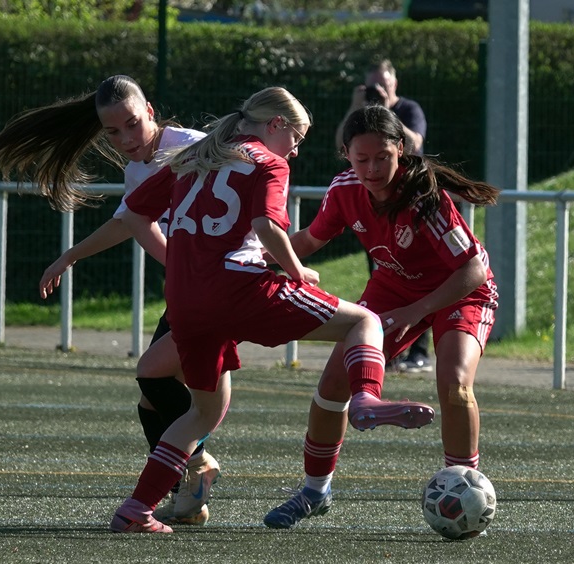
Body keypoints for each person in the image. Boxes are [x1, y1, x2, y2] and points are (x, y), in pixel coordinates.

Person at [114, 87, 436, 534]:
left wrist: (181, 262)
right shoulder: (268, 161)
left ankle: (137, 508)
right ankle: (365, 397)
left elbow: (132, 215)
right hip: (239, 288)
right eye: (296, 138)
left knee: (200, 412)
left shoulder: (196, 156)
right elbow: (266, 225)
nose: (296, 150)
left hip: (186, 299)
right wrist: (296, 270)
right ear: (276, 125)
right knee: (364, 321)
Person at [0, 75, 221, 526]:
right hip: (191, 291)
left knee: (154, 378)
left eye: (132, 124)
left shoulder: (193, 148)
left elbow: (247, 179)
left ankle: (198, 463)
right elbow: (127, 222)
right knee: (151, 402)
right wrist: (70, 256)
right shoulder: (137, 170)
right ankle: (189, 497)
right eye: (113, 132)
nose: (126, 139)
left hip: (219, 288)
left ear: (150, 111)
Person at [264, 105, 500, 529]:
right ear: (346, 155)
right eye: (362, 159)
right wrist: (256, 259)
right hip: (394, 287)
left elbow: (474, 269)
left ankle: (465, 488)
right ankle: (315, 492)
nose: (372, 169)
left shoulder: (423, 197)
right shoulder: (344, 189)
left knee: (454, 382)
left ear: (401, 150)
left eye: (382, 158)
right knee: (333, 384)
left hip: (460, 292)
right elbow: (311, 239)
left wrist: (417, 310)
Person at [334, 58, 433, 374]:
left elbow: (415, 143)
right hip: (374, 208)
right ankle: (386, 349)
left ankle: (419, 351)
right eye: (373, 85)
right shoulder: (360, 115)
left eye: (384, 83)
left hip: (407, 203)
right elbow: (341, 144)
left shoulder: (409, 109)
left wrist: (386, 113)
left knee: (419, 274)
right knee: (383, 276)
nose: (378, 89)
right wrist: (356, 107)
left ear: (395, 83)